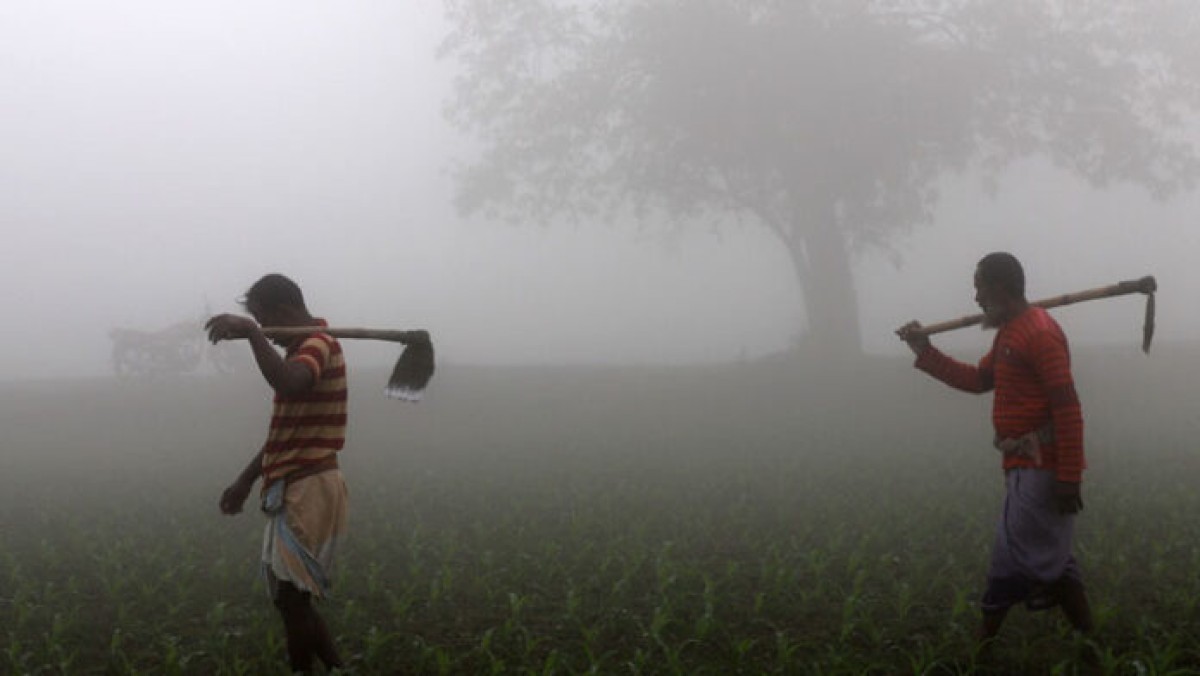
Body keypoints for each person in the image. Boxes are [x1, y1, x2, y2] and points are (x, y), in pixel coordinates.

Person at [897, 252, 1093, 648]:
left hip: (1043, 469)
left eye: (979, 287)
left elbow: (1067, 407)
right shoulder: (1009, 332)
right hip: (1021, 465)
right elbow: (978, 380)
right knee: (1051, 561)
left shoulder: (1039, 333)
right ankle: (1087, 643)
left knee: (1013, 557)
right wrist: (925, 352)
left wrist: (1069, 478)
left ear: (1000, 289)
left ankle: (982, 648)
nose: (975, 298)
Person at [205, 273, 348, 673]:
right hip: (293, 483)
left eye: (267, 323)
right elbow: (284, 433)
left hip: (310, 486)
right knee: (290, 600)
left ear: (285, 312)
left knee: (292, 600)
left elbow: (291, 384)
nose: (268, 335)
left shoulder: (317, 345)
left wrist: (250, 333)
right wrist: (247, 479)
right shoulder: (302, 348)